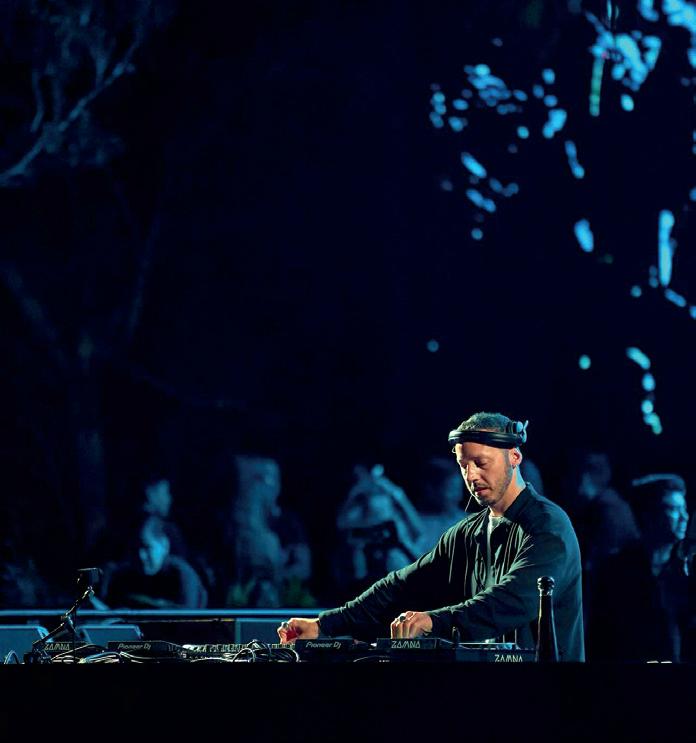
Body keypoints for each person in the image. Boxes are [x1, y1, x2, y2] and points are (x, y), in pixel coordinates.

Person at [278, 412, 585, 661]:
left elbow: (513, 600)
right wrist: (324, 625)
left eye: (481, 463)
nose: (471, 476)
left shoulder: (548, 526)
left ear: (514, 457)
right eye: (464, 466)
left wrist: (433, 622)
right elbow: (401, 586)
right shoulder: (468, 532)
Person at [586, 473, 691, 662]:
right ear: (649, 514)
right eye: (674, 509)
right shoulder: (617, 571)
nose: (684, 516)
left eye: (684, 508)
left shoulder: (686, 569)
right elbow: (602, 637)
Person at [99, 516, 208, 608]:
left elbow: (186, 620)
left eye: (147, 548)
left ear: (164, 545)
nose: (141, 556)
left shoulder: (182, 576)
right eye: (135, 549)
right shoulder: (123, 577)